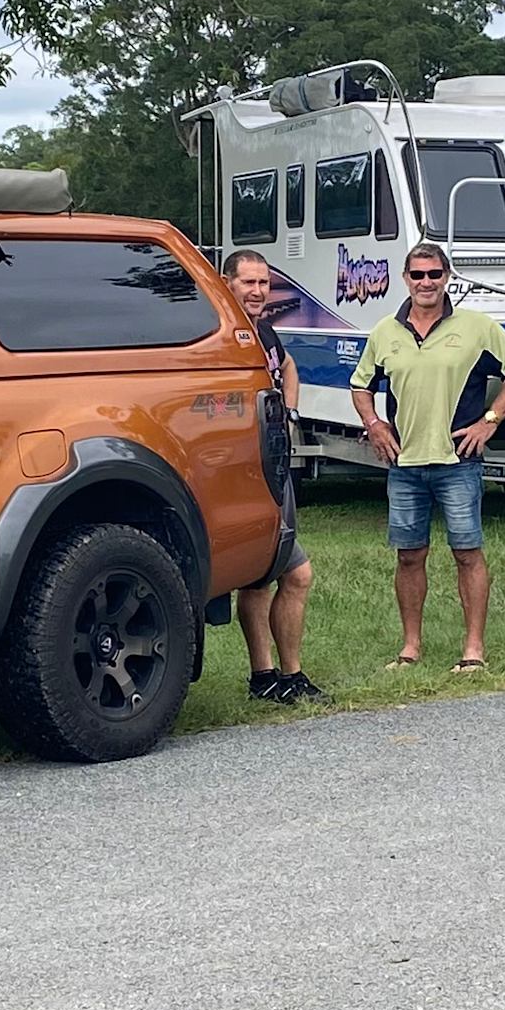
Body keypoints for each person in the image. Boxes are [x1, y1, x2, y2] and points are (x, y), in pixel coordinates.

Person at [350, 246, 505, 671]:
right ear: (405, 278)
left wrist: (489, 420)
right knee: (409, 556)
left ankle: (473, 651)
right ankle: (410, 648)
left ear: (447, 276)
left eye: (434, 274)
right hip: (404, 464)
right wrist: (374, 424)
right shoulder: (385, 331)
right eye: (418, 274)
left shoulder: (476, 327)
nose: (426, 282)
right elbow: (361, 385)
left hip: (458, 462)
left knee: (467, 553)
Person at [227, 251, 321, 705]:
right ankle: (277, 675)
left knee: (269, 576)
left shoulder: (262, 329)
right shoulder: (224, 335)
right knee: (287, 573)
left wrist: (290, 413)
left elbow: (287, 365)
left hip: (273, 466)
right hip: (243, 475)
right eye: (248, 282)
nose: (258, 291)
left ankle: (273, 677)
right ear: (227, 283)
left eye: (263, 283)